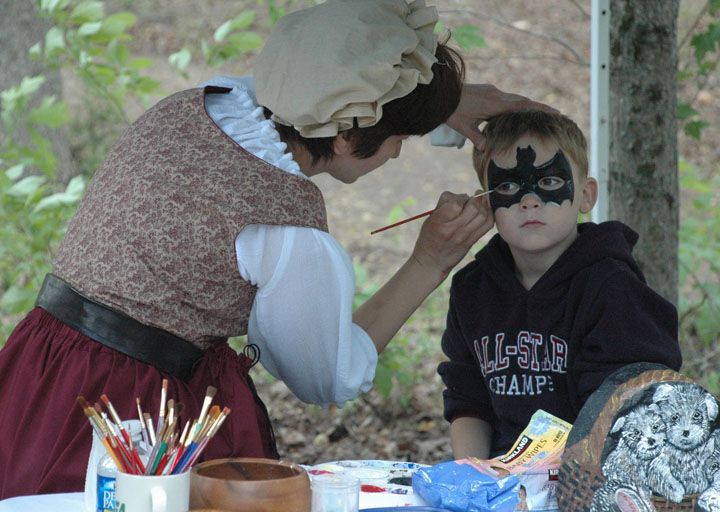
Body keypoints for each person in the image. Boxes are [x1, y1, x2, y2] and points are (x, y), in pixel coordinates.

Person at [0, 0, 553, 499]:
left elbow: (321, 72)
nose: (397, 156)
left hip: (41, 366)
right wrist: (429, 261)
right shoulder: (287, 231)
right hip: (133, 416)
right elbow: (323, 380)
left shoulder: (199, 105)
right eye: (398, 139)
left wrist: (433, 104)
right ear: (344, 139)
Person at [437, 109, 682, 460]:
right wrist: (474, 474)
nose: (529, 200)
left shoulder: (614, 291)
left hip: (593, 480)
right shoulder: (471, 291)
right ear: (487, 204)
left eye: (549, 182)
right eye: (507, 186)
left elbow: (623, 420)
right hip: (503, 484)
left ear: (585, 194)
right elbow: (468, 398)